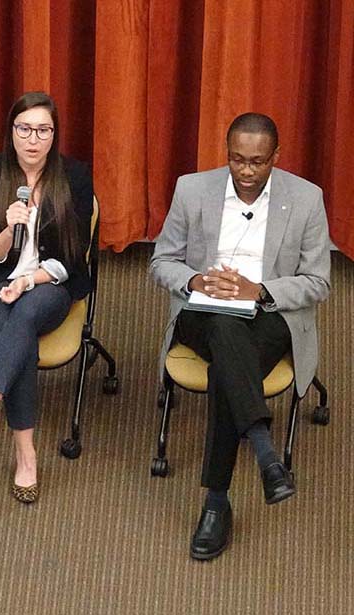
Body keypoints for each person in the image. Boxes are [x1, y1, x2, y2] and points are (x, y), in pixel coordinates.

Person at [150, 113, 330, 560]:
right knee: (225, 328)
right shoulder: (192, 189)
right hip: (201, 311)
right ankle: (266, 455)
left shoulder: (306, 199)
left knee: (229, 350)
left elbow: (318, 282)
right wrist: (195, 282)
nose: (246, 171)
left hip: (269, 315)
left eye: (257, 162)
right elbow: (161, 262)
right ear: (226, 153)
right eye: (237, 160)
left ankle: (216, 501)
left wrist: (260, 290)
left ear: (275, 158)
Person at [0, 92, 94, 504]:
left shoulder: (74, 178)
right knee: (20, 337)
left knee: (25, 316)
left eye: (43, 130)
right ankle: (26, 454)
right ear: (11, 132)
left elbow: (71, 256)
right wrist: (8, 231)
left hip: (49, 284)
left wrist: (29, 282)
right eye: (24, 129)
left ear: (54, 136)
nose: (32, 140)